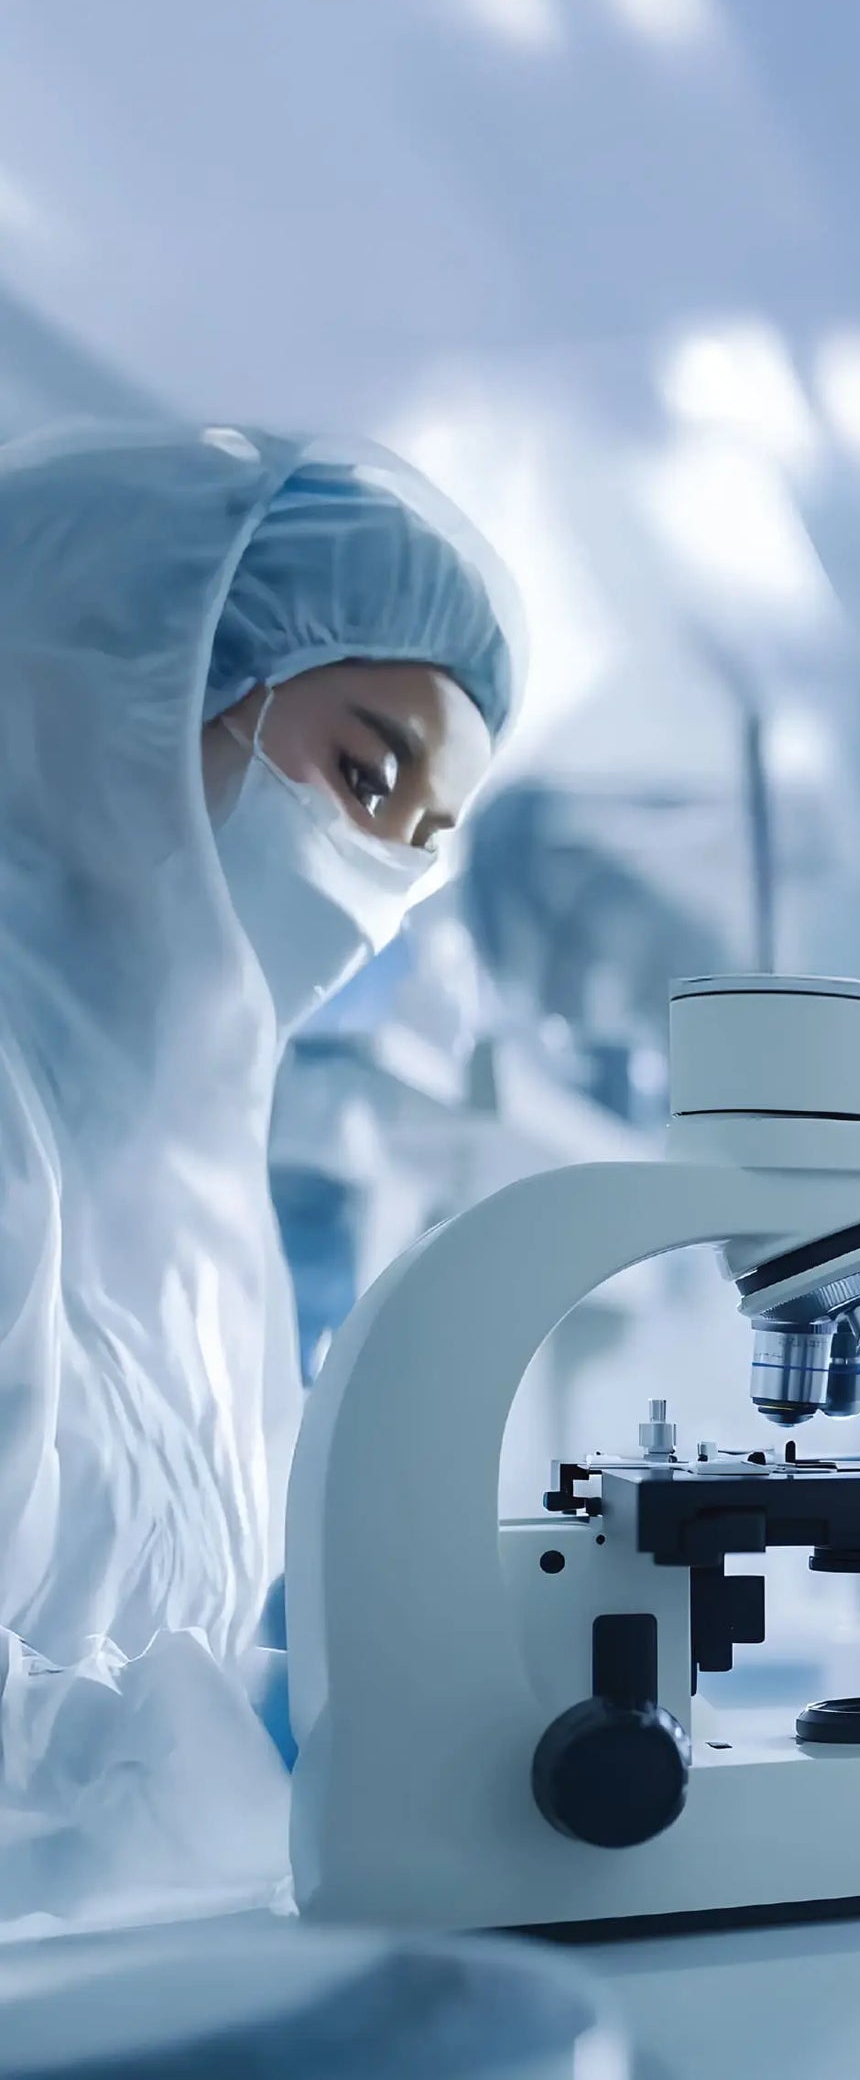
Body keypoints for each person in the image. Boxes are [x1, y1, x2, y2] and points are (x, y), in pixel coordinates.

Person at [0, 421, 523, 1918]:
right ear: (124, 683)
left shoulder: (179, 1201)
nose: (378, 879)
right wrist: (236, 1763)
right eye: (365, 772)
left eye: (423, 843)